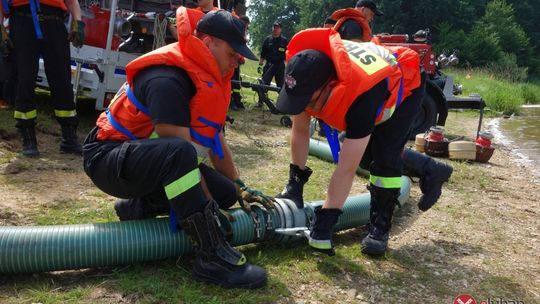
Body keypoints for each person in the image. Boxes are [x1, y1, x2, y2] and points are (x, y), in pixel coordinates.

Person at [82, 8, 270, 288]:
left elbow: (214, 139)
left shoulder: (207, 74)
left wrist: (239, 185)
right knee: (180, 154)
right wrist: (208, 213)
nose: (237, 62)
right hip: (107, 159)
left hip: (144, 160)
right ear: (208, 44)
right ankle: (211, 256)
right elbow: (180, 153)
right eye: (233, 53)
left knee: (225, 193)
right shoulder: (169, 78)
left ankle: (138, 206)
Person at [276, 28, 449, 257]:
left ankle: (379, 227)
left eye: (309, 102)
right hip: (375, 75)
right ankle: (430, 169)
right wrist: (295, 183)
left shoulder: (361, 99)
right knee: (366, 155)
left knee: (384, 158)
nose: (304, 107)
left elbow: (346, 169)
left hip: (405, 82)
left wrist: (327, 219)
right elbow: (299, 130)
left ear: (329, 86)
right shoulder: (306, 73)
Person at [331, 0, 453, 213]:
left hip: (407, 87)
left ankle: (381, 222)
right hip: (387, 84)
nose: (372, 19)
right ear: (364, 10)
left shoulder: (356, 33)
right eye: (372, 14)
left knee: (385, 153)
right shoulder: (351, 30)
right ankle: (431, 169)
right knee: (364, 151)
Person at [0, 0, 85, 157]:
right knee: (24, 81)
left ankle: (69, 139)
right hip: (22, 22)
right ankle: (28, 140)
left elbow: (72, 2)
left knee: (62, 81)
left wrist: (77, 22)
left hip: (55, 23)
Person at [258, 21, 288, 89]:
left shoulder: (284, 41)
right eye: (274, 27)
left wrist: (288, 65)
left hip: (280, 66)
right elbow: (263, 52)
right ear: (272, 28)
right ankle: (262, 99)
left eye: (277, 28)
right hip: (269, 65)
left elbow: (287, 53)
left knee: (281, 87)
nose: (275, 29)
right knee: (264, 84)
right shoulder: (268, 39)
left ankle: (281, 100)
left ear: (280, 29)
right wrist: (260, 63)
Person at [229, 15, 249, 111]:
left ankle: (237, 99)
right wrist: (240, 57)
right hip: (231, 60)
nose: (246, 27)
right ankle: (231, 101)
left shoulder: (242, 32)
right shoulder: (234, 31)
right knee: (231, 81)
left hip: (237, 61)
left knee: (237, 81)